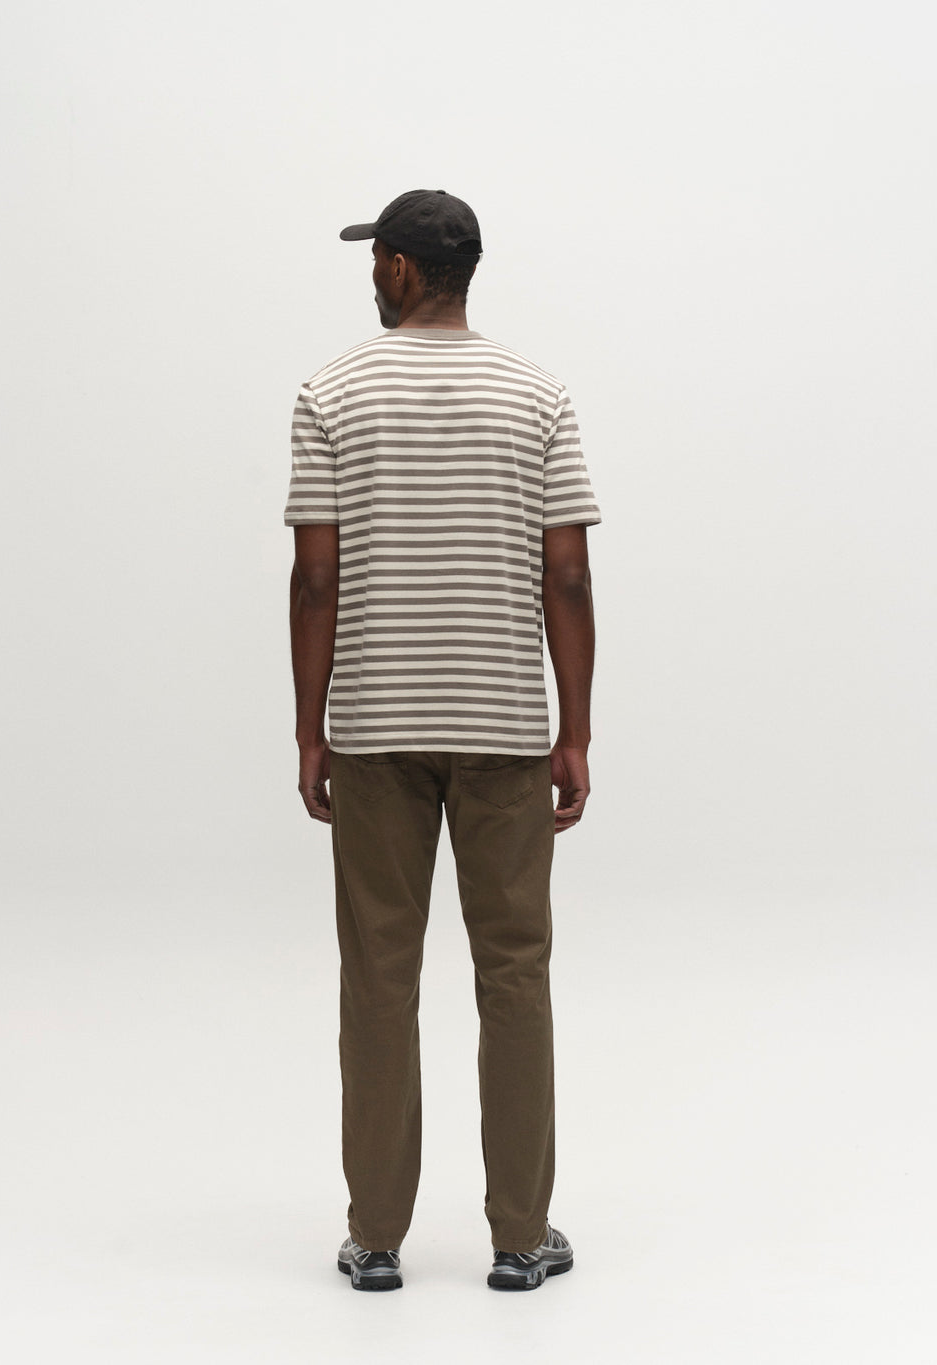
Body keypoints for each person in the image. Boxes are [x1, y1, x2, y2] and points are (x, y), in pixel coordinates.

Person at [283, 189, 601, 1291]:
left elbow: (315, 577)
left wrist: (310, 727)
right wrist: (574, 729)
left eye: (376, 257)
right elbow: (568, 572)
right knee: (514, 973)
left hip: (376, 727)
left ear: (406, 269)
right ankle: (520, 1238)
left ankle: (375, 1237)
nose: (370, 274)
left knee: (378, 973)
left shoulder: (331, 391)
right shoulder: (537, 393)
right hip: (504, 722)